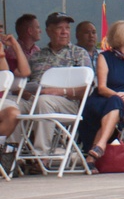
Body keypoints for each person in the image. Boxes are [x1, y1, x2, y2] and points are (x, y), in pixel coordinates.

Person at [20, 13, 94, 161]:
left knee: (45, 101)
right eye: (59, 28)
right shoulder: (36, 56)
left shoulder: (78, 53)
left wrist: (59, 91)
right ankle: (11, 153)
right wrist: (24, 92)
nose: (64, 32)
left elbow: (89, 88)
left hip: (68, 103)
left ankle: (41, 158)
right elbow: (24, 83)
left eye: (67, 28)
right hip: (36, 99)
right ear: (48, 31)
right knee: (11, 106)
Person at [80, 20, 124, 170]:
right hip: (103, 98)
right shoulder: (105, 57)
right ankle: (99, 147)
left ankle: (96, 151)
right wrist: (122, 96)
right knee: (115, 103)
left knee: (115, 104)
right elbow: (102, 87)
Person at [0, 31, 30, 142]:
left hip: (1, 100)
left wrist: (14, 46)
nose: (1, 32)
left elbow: (24, 72)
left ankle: (7, 152)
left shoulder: (4, 55)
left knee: (13, 113)